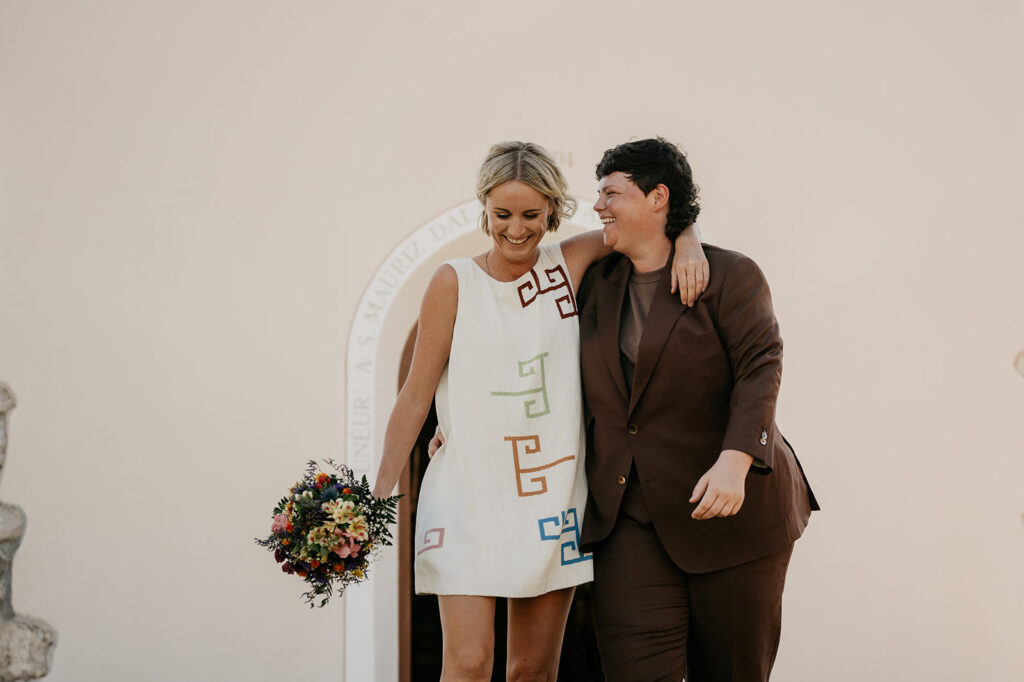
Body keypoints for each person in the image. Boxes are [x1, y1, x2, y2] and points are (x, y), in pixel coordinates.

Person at [370, 141, 709, 682]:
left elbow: (649, 225)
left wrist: (689, 240)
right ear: (484, 208)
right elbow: (414, 396)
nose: (517, 228)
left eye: (531, 214)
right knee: (469, 661)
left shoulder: (568, 265)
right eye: (502, 214)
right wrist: (375, 502)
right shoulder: (452, 282)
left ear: (553, 209)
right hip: (466, 494)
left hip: (551, 496)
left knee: (532, 670)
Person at [576, 137, 819, 681]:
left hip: (734, 516)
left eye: (611, 193)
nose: (598, 206)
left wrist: (736, 459)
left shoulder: (732, 275)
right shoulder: (593, 281)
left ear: (657, 196)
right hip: (629, 521)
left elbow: (762, 364)